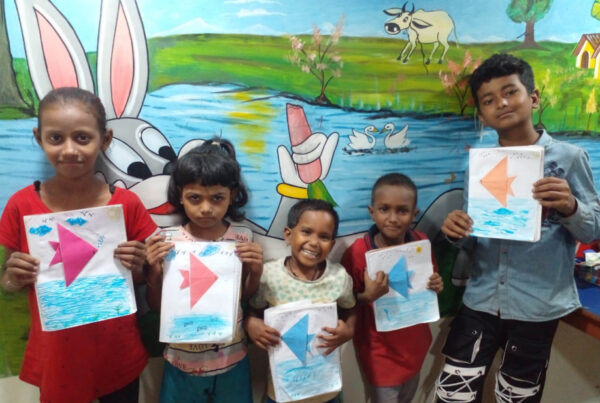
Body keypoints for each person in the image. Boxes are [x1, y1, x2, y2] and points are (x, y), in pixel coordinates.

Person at [434, 53, 600, 402]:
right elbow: (473, 239)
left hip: (537, 306)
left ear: (533, 98)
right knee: (452, 394)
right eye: (488, 100)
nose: (502, 103)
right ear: (481, 115)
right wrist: (457, 232)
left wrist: (571, 206)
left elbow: (592, 230)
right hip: (481, 300)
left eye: (511, 92)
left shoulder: (569, 158)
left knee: (518, 395)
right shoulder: (479, 165)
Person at [0, 87, 156, 403]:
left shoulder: (127, 204)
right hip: (57, 357)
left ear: (105, 139)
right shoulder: (21, 205)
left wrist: (140, 264)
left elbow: (142, 277)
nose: (69, 150)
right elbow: (7, 281)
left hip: (117, 354)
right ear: (39, 138)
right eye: (56, 138)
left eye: (82, 138)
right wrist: (13, 277)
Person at [145, 138, 263, 403]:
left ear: (232, 195)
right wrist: (153, 271)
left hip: (232, 357)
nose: (206, 208)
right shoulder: (167, 240)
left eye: (217, 198)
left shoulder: (242, 237)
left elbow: (242, 297)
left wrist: (255, 271)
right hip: (181, 360)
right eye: (195, 198)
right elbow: (156, 306)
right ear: (181, 195)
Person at [341, 173, 444, 403]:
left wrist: (436, 285)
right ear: (372, 212)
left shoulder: (420, 242)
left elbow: (431, 281)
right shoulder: (358, 252)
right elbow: (344, 302)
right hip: (380, 354)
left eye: (402, 211)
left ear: (414, 214)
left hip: (415, 347)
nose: (393, 218)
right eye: (384, 209)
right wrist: (367, 296)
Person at [245, 199, 356, 403]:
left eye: (324, 236)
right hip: (283, 390)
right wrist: (251, 323)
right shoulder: (269, 275)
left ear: (332, 244)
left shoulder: (339, 277)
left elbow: (351, 309)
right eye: (306, 232)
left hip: (327, 389)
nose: (314, 242)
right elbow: (253, 310)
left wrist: (349, 330)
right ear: (288, 235)